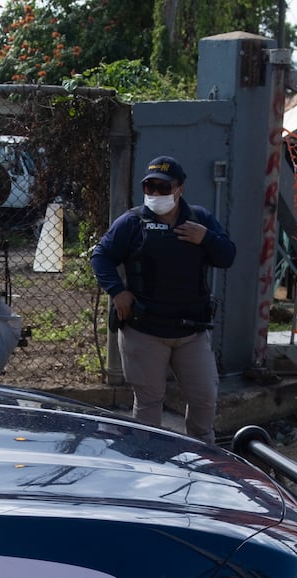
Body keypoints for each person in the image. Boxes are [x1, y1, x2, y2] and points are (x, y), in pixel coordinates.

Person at [91, 155, 236, 444]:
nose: (155, 194)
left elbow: (227, 256)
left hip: (190, 331)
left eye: (163, 188)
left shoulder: (198, 220)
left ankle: (203, 458)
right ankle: (149, 462)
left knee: (204, 398)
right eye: (150, 188)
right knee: (148, 404)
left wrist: (206, 238)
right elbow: (101, 256)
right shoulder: (132, 222)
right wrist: (117, 291)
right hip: (145, 330)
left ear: (179, 188)